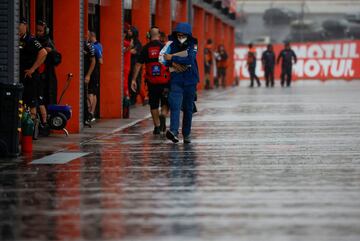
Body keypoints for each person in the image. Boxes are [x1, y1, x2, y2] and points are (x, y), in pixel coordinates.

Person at [163, 22, 199, 144]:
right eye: (178, 35)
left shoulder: (193, 45)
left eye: (183, 35)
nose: (180, 37)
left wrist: (173, 58)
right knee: (175, 105)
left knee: (188, 108)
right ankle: (173, 132)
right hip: (176, 79)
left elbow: (190, 59)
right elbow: (163, 59)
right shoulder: (170, 45)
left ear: (188, 35)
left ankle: (187, 133)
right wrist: (170, 62)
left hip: (190, 80)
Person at [131, 26, 170, 135]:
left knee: (153, 104)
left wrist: (133, 79)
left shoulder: (145, 48)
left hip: (151, 82)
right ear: (159, 35)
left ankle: (157, 127)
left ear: (149, 35)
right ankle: (163, 114)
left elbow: (138, 65)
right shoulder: (164, 48)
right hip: (165, 81)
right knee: (165, 102)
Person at [19, 18, 47, 139]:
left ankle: (30, 133)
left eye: (19, 26)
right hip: (19, 76)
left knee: (32, 104)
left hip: (30, 77)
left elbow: (43, 53)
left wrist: (33, 69)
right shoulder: (16, 39)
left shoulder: (31, 39)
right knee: (21, 103)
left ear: (24, 26)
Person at [36, 20, 56, 134]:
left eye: (41, 31)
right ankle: (43, 122)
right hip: (38, 74)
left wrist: (51, 51)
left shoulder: (48, 42)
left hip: (45, 75)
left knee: (42, 99)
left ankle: (44, 123)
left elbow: (56, 57)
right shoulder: (34, 41)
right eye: (37, 30)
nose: (39, 33)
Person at [127, 26, 143, 105]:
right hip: (129, 64)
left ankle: (134, 98)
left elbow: (132, 52)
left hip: (135, 65)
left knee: (135, 81)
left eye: (130, 31)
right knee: (129, 80)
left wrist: (127, 49)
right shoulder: (128, 40)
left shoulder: (137, 43)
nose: (128, 32)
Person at [89, 31, 103, 120]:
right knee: (94, 93)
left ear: (91, 36)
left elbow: (101, 61)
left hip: (93, 72)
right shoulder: (100, 45)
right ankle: (92, 113)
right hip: (95, 72)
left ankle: (90, 112)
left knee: (91, 93)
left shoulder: (94, 47)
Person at [83, 31, 96, 125]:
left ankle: (89, 113)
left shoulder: (89, 46)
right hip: (80, 74)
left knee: (89, 94)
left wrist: (88, 75)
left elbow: (93, 61)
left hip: (88, 74)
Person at [123, 24, 132, 118]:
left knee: (125, 85)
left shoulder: (126, 43)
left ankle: (127, 99)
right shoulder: (126, 43)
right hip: (124, 66)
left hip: (125, 67)